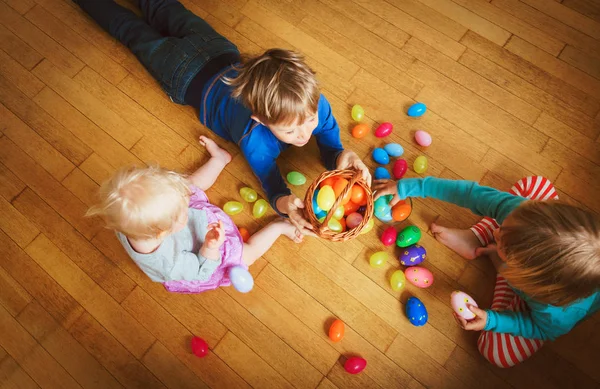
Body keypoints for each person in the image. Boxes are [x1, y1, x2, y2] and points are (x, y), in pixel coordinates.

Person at [72, 0, 371, 236]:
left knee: (161, 7)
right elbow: (272, 185)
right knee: (129, 29)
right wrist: (287, 206)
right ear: (261, 120)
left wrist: (341, 154)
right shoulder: (254, 140)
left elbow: (327, 133)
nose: (305, 134)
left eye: (308, 120)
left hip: (214, 47)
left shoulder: (314, 105)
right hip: (181, 75)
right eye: (291, 132)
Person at [374, 175, 600, 368]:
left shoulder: (556, 313)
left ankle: (493, 259)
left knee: (497, 353)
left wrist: (491, 320)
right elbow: (471, 194)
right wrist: (410, 187)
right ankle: (477, 239)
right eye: (504, 226)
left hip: (536, 302)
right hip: (531, 264)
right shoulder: (520, 213)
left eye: (503, 244)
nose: (497, 231)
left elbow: (537, 328)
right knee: (536, 184)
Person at [87, 136, 301, 293]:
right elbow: (201, 271)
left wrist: (177, 195)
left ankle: (218, 159)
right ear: (164, 233)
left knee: (190, 186)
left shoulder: (129, 218)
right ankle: (279, 227)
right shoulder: (169, 263)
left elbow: (179, 195)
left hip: (178, 224)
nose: (186, 202)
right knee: (245, 254)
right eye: (181, 208)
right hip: (202, 255)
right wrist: (210, 248)